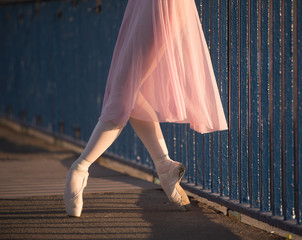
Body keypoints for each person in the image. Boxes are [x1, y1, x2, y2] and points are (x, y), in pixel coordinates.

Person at [64, 0, 228, 217]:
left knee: (124, 91)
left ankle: (81, 167)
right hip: (144, 5)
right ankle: (164, 166)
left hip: (161, 5)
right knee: (130, 92)